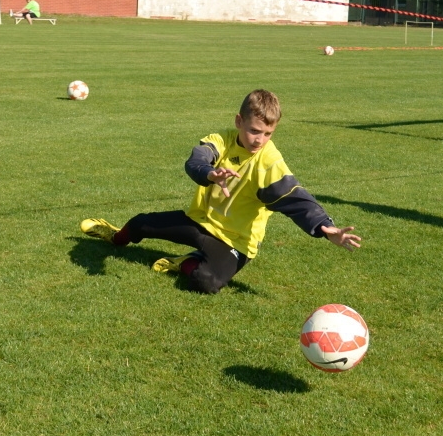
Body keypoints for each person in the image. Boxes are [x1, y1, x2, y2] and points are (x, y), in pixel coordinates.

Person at [80, 89, 361, 293]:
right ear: (239, 121)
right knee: (141, 223)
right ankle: (114, 236)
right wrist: (210, 173)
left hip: (236, 242)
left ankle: (185, 262)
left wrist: (324, 226)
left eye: (267, 134)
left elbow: (294, 198)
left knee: (206, 282)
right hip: (199, 223)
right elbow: (196, 160)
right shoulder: (221, 141)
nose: (259, 140)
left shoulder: (269, 162)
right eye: (254, 131)